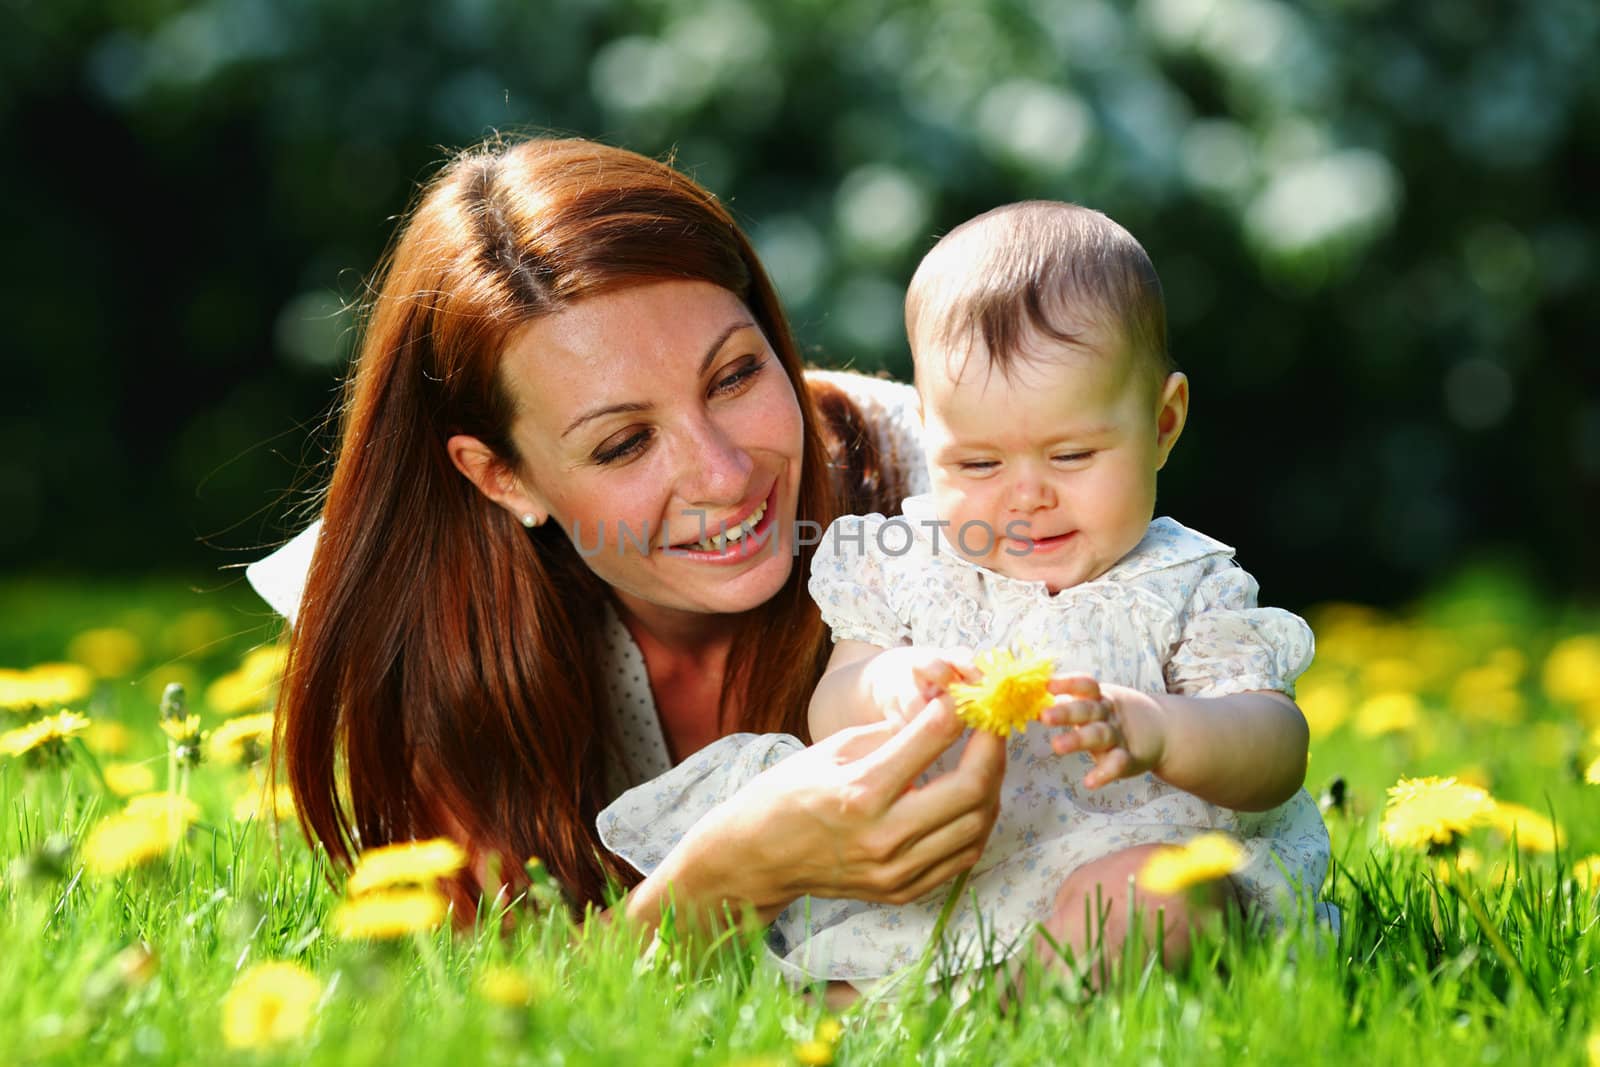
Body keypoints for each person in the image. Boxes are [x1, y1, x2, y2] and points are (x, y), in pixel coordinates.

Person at [245, 136, 1009, 946]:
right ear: (503, 477)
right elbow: (509, 1004)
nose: (720, 475)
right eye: (623, 444)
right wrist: (728, 880)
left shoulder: (967, 489)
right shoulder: (426, 609)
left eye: (736, 376)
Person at [598, 201, 1331, 985]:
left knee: (1157, 899)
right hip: (944, 881)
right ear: (929, 431)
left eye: (1072, 454)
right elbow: (834, 705)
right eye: (978, 465)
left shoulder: (1185, 580)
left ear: (1163, 421)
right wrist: (886, 685)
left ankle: (1016, 1000)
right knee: (836, 965)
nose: (1026, 496)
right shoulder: (905, 562)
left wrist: (1158, 728)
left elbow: (1275, 747)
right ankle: (907, 1007)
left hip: (1117, 858)